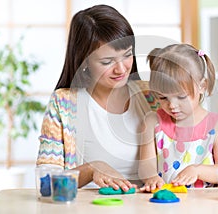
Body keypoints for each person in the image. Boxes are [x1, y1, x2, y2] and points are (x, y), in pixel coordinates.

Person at [36, 4, 158, 192]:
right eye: (107, 61)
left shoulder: (153, 96)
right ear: (84, 61)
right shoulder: (63, 103)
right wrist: (91, 169)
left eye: (127, 55)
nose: (121, 69)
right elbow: (45, 185)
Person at [138, 44, 218, 192]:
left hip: (207, 205)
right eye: (163, 97)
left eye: (181, 97)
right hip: (166, 203)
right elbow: (145, 165)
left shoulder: (217, 125)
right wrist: (151, 177)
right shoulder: (152, 122)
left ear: (202, 86)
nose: (172, 106)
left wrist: (198, 170)